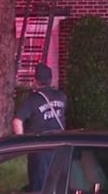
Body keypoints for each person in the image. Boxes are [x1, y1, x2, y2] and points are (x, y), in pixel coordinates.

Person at [13, 63, 66, 191]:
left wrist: (22, 144)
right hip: (61, 147)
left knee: (40, 186)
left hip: (39, 149)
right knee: (58, 183)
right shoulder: (62, 97)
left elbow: (17, 121)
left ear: (35, 81)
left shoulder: (32, 100)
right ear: (50, 80)